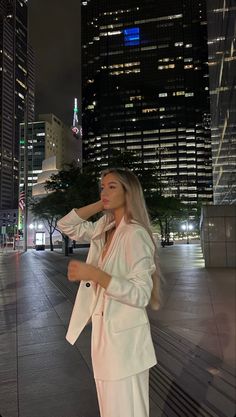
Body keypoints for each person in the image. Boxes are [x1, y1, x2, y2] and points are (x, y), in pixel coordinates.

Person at [57, 167, 161, 417]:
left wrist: (95, 275)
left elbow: (140, 294)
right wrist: (102, 204)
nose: (104, 191)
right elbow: (65, 225)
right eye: (102, 187)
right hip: (105, 340)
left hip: (126, 346)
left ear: (129, 193)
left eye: (112, 186)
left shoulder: (135, 234)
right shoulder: (105, 226)